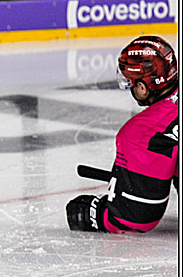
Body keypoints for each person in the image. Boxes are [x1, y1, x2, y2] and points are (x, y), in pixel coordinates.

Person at [66, 35, 179, 233]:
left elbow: (136, 217)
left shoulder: (143, 133)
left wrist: (96, 214)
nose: (129, 85)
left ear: (143, 86)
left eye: (131, 81)